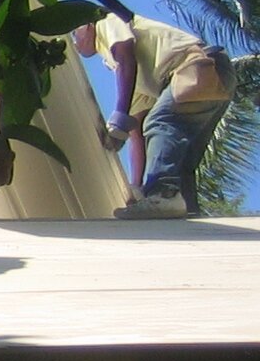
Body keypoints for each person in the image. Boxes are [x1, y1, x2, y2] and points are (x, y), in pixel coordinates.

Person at [73, 12, 233, 219]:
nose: (74, 43)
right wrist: (136, 187)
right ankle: (186, 213)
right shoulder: (136, 72)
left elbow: (125, 58)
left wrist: (119, 116)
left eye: (75, 33)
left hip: (198, 67)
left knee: (162, 123)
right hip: (213, 76)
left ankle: (163, 195)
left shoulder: (107, 21)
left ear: (87, 25)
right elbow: (137, 131)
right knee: (182, 158)